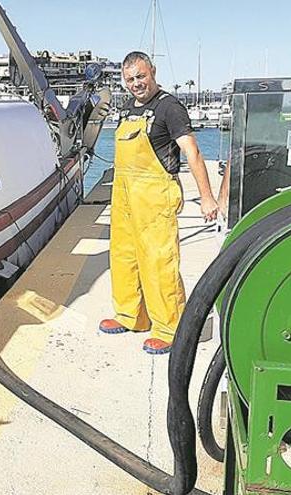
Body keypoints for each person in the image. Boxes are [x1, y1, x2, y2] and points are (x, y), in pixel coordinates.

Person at [99, 51, 219, 355]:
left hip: (155, 198)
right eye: (130, 79)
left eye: (141, 76)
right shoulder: (128, 108)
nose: (137, 83)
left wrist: (206, 197)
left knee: (158, 262)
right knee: (124, 256)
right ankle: (130, 315)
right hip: (125, 197)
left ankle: (169, 327)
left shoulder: (170, 108)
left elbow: (192, 151)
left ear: (152, 71)